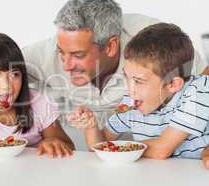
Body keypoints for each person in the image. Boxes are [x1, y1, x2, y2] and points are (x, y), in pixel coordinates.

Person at [22, 0, 209, 126]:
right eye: (61, 52)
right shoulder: (43, 54)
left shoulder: (153, 39)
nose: (67, 65)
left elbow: (205, 78)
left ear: (111, 46)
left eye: (78, 55)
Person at [67, 23, 209, 161]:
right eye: (126, 77)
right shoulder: (131, 100)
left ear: (172, 84)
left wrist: (119, 149)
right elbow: (100, 147)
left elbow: (161, 150)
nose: (129, 89)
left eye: (138, 81)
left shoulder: (198, 91)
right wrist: (91, 127)